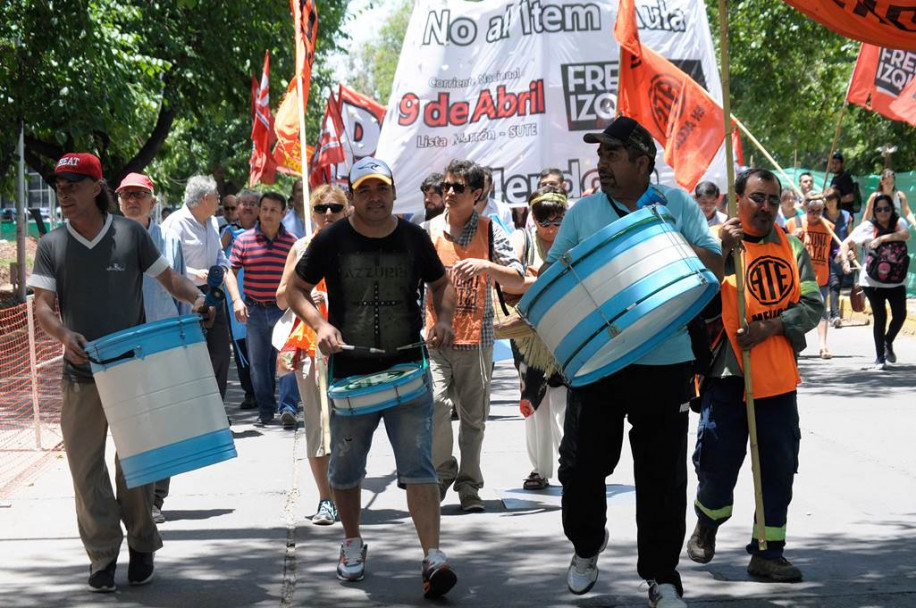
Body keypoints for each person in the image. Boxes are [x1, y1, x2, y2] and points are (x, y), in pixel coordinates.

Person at [546, 117, 723, 607]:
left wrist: (662, 229)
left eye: (611, 155)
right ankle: (586, 545)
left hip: (664, 360)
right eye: (599, 155)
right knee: (581, 467)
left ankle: (663, 576)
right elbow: (552, 272)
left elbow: (715, 268)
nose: (600, 165)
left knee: (661, 474)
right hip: (598, 361)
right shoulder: (582, 213)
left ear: (642, 163)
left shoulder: (679, 205)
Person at [28, 153, 213, 592]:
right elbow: (41, 309)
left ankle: (143, 543)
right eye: (59, 184)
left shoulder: (131, 235)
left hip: (133, 370)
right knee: (85, 470)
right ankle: (102, 556)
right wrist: (64, 334)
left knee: (136, 466)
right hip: (80, 373)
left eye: (74, 183)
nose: (64, 191)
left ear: (97, 188)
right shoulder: (52, 244)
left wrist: (201, 302)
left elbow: (171, 281)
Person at [286, 157, 459, 598]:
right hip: (351, 374)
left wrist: (444, 319)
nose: (374, 198)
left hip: (407, 368)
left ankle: (433, 556)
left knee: (419, 466)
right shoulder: (332, 238)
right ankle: (351, 543)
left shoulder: (415, 237)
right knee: (345, 469)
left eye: (380, 188)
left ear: (393, 192)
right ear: (352, 196)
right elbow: (294, 290)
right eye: (364, 190)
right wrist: (320, 325)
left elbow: (443, 284)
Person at [687, 168, 823, 584]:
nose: (764, 207)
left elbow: (813, 304)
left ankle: (768, 552)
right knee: (717, 458)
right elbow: (693, 297)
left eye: (771, 199)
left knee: (778, 465)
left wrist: (774, 326)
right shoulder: (714, 245)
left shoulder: (792, 247)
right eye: (756, 198)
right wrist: (721, 253)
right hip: (727, 374)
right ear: (737, 198)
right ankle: (706, 525)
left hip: (777, 377)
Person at [428, 159, 525, 513]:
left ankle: (469, 486)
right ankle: (443, 471)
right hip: (436, 340)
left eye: (458, 188)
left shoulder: (490, 230)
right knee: (436, 407)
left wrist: (487, 267)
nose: (449, 193)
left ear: (477, 193)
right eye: (446, 187)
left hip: (477, 339)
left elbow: (515, 277)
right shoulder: (429, 231)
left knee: (473, 419)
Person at [276, 184, 350, 525]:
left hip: (351, 347)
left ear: (347, 209)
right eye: (322, 209)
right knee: (319, 427)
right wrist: (305, 299)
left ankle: (347, 492)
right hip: (311, 349)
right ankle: (326, 499)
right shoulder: (301, 247)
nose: (329, 214)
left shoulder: (358, 245)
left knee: (349, 425)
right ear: (312, 213)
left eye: (336, 207)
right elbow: (282, 297)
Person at [116, 171, 187, 525]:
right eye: (126, 194)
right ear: (117, 201)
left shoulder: (170, 241)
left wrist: (187, 337)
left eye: (139, 195)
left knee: (164, 425)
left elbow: (182, 291)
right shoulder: (107, 243)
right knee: (130, 425)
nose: (132, 200)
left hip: (163, 342)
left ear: (152, 201)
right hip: (122, 345)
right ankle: (132, 499)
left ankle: (157, 497)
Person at [505, 185, 568, 491]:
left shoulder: (573, 239)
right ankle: (539, 469)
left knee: (566, 400)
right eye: (545, 221)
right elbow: (513, 274)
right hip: (529, 336)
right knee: (534, 402)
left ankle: (572, 463)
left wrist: (533, 281)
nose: (551, 228)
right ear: (533, 218)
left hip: (566, 329)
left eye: (558, 220)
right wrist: (527, 276)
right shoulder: (522, 238)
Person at [161, 175, 239, 400]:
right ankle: (195, 411)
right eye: (217, 197)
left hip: (213, 294)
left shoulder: (213, 222)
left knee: (221, 353)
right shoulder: (174, 224)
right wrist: (195, 273)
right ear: (206, 199)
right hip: (185, 296)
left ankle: (216, 409)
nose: (219, 202)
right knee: (191, 355)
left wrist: (222, 269)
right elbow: (165, 268)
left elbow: (220, 256)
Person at [229, 192, 298, 426]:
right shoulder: (243, 240)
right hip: (255, 311)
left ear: (283, 213)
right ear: (259, 211)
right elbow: (230, 270)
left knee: (287, 359)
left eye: (273, 210)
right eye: (264, 209)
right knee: (258, 366)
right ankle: (266, 411)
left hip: (284, 311)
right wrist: (237, 300)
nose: (268, 214)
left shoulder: (292, 243)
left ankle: (288, 408)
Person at [840, 194, 911, 370]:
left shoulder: (899, 223)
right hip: (872, 281)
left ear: (891, 209)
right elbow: (845, 244)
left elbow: (906, 234)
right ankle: (880, 358)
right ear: (874, 211)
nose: (883, 212)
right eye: (879, 209)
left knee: (900, 314)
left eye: (887, 208)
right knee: (881, 317)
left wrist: (881, 239)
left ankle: (888, 341)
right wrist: (844, 261)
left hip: (896, 280)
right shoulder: (867, 227)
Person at [219, 190, 259, 410]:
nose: (247, 207)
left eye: (253, 203)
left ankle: (264, 391)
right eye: (243, 203)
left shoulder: (267, 232)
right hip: (236, 298)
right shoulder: (229, 232)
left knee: (262, 348)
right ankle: (250, 392)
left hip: (262, 297)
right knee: (242, 345)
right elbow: (216, 255)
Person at [786, 196, 835, 358]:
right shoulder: (793, 223)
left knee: (821, 310)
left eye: (818, 211)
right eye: (811, 211)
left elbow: (834, 250)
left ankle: (823, 345)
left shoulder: (828, 227)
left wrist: (844, 255)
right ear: (805, 208)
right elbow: (781, 246)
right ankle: (796, 343)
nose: (814, 214)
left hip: (820, 276)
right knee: (795, 310)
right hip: (797, 276)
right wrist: (793, 235)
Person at [821, 188, 854, 328]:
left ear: (837, 200)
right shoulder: (821, 217)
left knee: (838, 284)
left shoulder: (847, 216)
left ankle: (833, 314)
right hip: (826, 254)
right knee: (833, 284)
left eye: (832, 200)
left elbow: (851, 236)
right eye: (827, 200)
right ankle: (835, 316)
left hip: (843, 254)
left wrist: (852, 252)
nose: (829, 203)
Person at [475, 165, 515, 234]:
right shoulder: (463, 209)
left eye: (483, 185)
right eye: (477, 184)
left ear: (491, 187)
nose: (479, 189)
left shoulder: (502, 210)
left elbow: (511, 236)